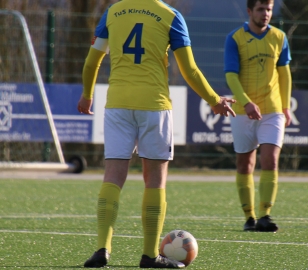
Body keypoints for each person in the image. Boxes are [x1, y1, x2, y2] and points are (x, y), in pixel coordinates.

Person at [78, 0, 236, 268]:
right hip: (154, 106)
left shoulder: (113, 11)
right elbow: (190, 69)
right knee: (155, 181)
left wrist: (87, 95)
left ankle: (102, 249)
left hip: (117, 104)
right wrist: (213, 99)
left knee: (113, 176)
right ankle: (150, 256)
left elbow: (93, 61)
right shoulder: (170, 15)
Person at [223, 0, 292, 232]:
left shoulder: (280, 37)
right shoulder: (235, 39)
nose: (266, 14)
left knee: (270, 159)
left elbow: (284, 74)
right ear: (250, 11)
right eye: (261, 9)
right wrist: (246, 102)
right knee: (245, 164)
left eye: (269, 9)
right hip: (243, 111)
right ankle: (249, 216)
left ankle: (265, 215)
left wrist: (285, 106)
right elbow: (231, 76)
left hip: (272, 110)